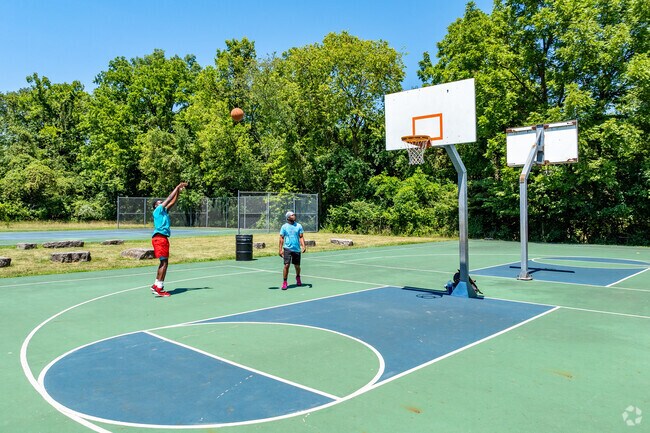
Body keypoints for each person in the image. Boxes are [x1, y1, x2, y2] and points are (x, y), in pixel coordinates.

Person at [150, 182, 188, 297]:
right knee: (164, 263)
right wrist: (176, 186)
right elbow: (169, 198)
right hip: (160, 238)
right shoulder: (157, 211)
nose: (162, 203)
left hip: (161, 238)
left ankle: (156, 284)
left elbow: (173, 201)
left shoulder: (164, 212)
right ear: (156, 206)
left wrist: (178, 192)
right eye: (160, 203)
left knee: (163, 262)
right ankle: (159, 288)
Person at [278, 211, 306, 290]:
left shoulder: (299, 226)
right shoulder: (284, 227)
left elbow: (301, 237)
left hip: (296, 249)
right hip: (287, 248)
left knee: (297, 266)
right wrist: (280, 249)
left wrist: (303, 246)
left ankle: (298, 277)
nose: (294, 216)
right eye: (292, 215)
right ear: (288, 217)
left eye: (294, 215)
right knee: (286, 265)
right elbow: (281, 238)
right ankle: (285, 282)